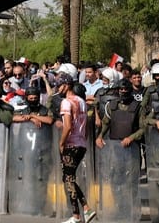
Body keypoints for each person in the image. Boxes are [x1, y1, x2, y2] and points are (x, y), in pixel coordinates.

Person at [54, 74, 94, 223]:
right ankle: (86, 209)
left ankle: (77, 215)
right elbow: (86, 125)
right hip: (81, 144)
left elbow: (68, 126)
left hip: (71, 144)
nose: (58, 88)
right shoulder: (82, 102)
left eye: (60, 85)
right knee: (69, 178)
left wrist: (61, 142)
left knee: (68, 179)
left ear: (67, 85)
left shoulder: (66, 102)